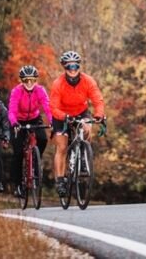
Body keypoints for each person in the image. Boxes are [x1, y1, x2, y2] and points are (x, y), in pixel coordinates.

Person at [49, 50, 105, 197]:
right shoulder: (58, 84)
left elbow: (97, 99)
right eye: (69, 67)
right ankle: (60, 180)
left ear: (79, 67)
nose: (73, 70)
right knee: (62, 146)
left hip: (80, 111)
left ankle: (84, 157)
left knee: (87, 127)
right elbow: (53, 107)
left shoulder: (88, 81)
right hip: (61, 115)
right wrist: (64, 116)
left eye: (75, 66)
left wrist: (99, 114)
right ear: (64, 68)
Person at [8, 65, 53, 198]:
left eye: (32, 80)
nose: (29, 83)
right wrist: (14, 123)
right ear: (22, 81)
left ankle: (35, 160)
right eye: (26, 80)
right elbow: (12, 110)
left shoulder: (40, 90)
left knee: (43, 139)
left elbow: (47, 106)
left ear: (35, 81)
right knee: (17, 153)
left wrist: (52, 121)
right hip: (19, 121)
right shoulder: (16, 91)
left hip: (34, 118)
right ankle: (17, 186)